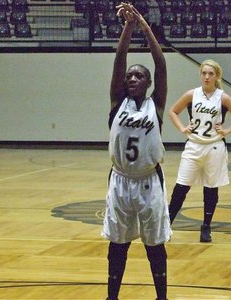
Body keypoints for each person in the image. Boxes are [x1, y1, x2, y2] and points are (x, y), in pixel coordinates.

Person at [102, 3, 170, 300]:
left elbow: (161, 64)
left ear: (148, 83)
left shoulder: (156, 105)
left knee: (154, 244)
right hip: (120, 180)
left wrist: (143, 24)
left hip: (148, 179)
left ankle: (162, 296)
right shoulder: (118, 102)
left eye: (138, 76)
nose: (131, 78)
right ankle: (112, 296)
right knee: (118, 243)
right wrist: (127, 28)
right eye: (129, 76)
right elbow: (119, 60)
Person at [168, 59, 231, 243]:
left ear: (216, 76)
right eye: (204, 73)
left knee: (211, 188)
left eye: (210, 73)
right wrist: (182, 128)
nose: (206, 77)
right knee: (181, 186)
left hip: (214, 146)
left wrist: (227, 130)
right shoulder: (192, 94)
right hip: (193, 145)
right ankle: (166, 225)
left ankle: (206, 226)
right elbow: (173, 111)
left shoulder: (223, 97)